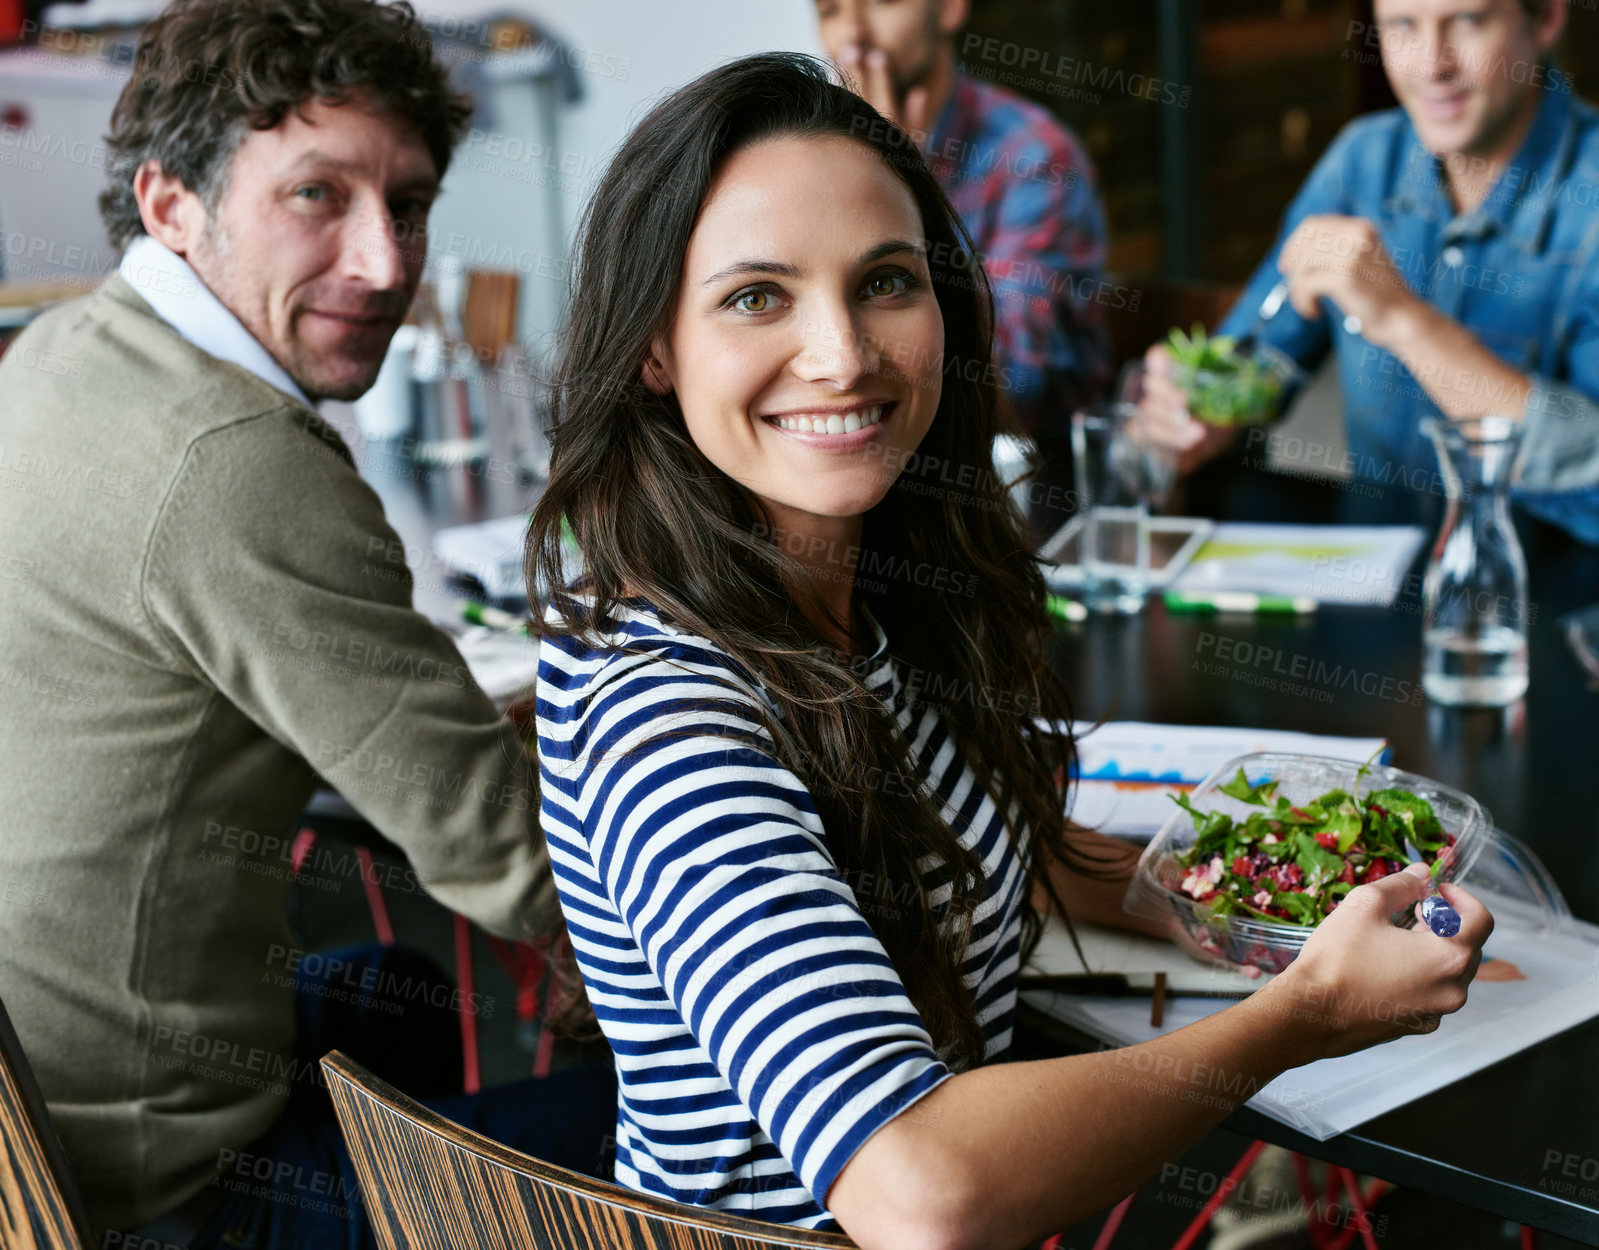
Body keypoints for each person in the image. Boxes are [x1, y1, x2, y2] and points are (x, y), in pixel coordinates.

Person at [526, 53, 1492, 1247]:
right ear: (653, 347)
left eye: (884, 281)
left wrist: (1254, 892)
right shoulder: (668, 712)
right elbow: (923, 1193)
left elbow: (1000, 844)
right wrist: (1305, 1009)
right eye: (756, 296)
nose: (843, 353)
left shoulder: (870, 589)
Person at [0, 1, 612, 1244]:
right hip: (138, 1187)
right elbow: (492, 839)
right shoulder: (236, 458)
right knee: (674, 1127)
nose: (386, 264)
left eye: (411, 205)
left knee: (395, 987)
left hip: (30, 1100)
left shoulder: (59, 350)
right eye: (317, 197)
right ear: (172, 205)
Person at [1137, 0, 1599, 544]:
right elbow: (1258, 360)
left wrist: (1402, 319)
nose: (1432, 64)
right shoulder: (1364, 160)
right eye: (1403, 25)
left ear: (1545, 19)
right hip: (1381, 586)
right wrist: (1191, 407)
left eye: (1468, 21)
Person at [813, 0, 1112, 438]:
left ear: (951, 8)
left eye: (882, 3)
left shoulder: (1036, 158)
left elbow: (1012, 386)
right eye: (829, 10)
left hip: (1024, 475)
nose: (852, 33)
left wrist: (898, 187)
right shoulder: (812, 157)